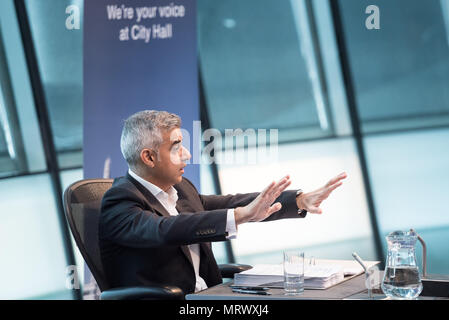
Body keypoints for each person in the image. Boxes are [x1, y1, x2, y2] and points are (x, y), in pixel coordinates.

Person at [99, 110, 347, 295]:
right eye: (176, 148)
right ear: (149, 157)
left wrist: (299, 201)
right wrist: (240, 216)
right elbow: (164, 229)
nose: (187, 155)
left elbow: (227, 203)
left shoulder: (180, 188)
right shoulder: (120, 200)